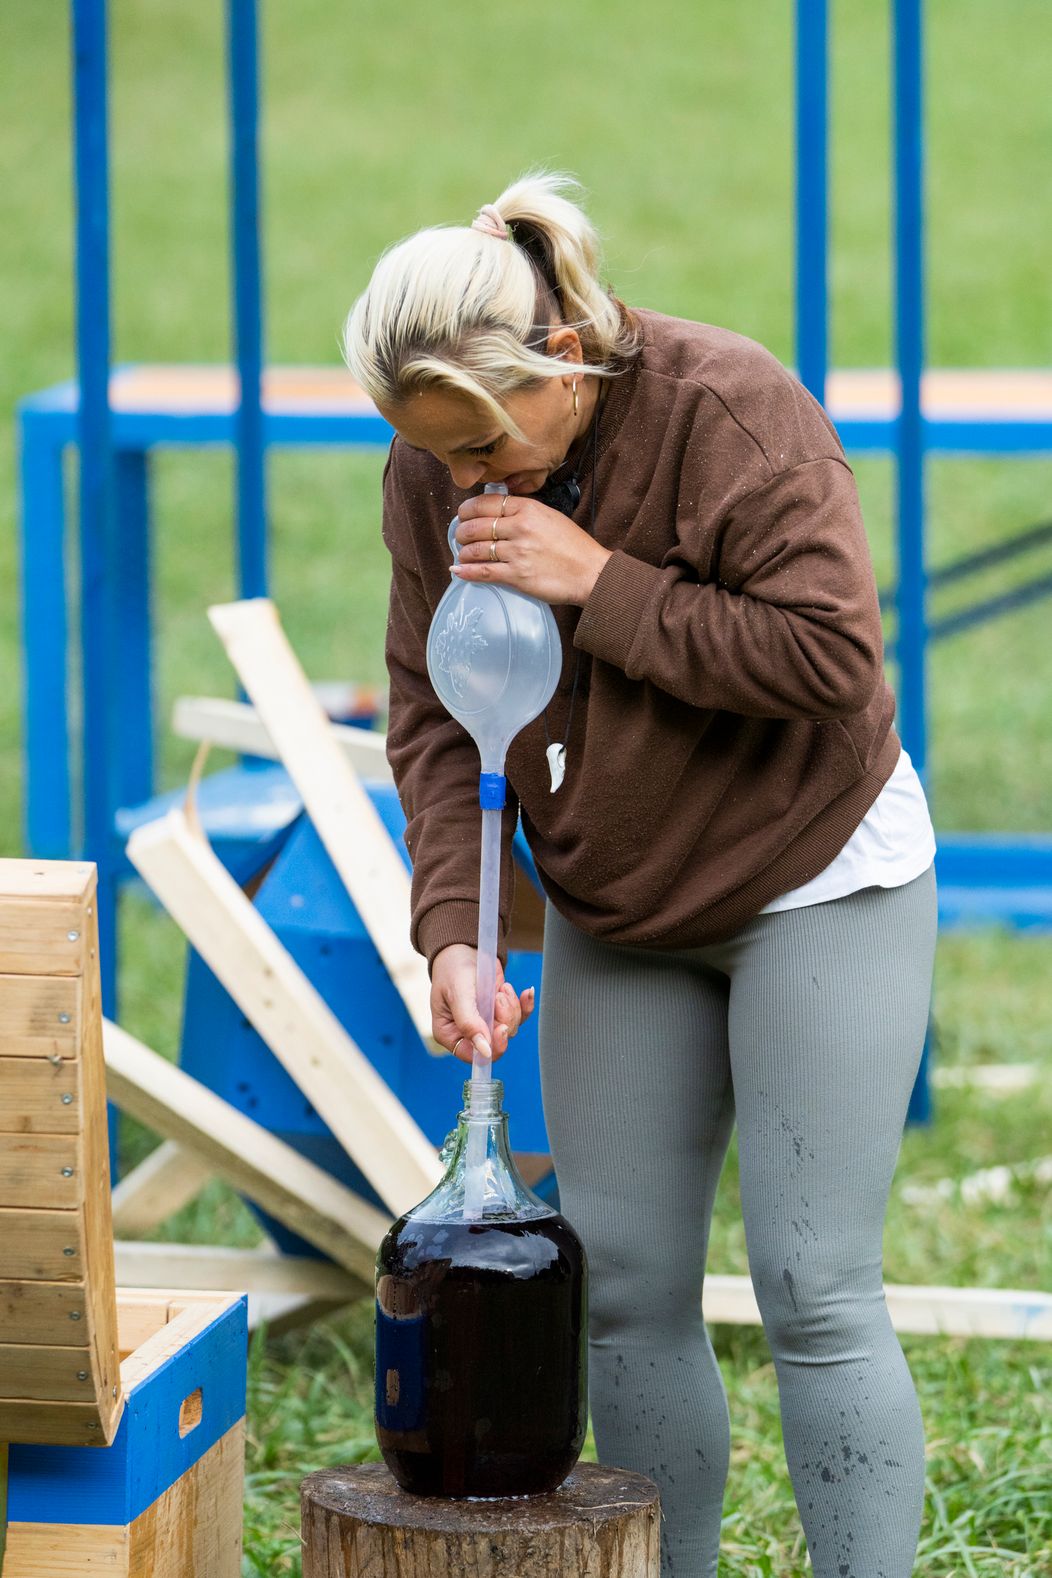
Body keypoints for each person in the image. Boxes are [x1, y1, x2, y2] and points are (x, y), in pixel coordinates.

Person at [342, 171, 937, 1578]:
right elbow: (435, 713)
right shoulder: (437, 458)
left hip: (815, 868)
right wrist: (454, 932)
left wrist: (594, 579)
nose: (472, 489)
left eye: (492, 454)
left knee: (814, 1284)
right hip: (621, 895)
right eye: (443, 464)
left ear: (563, 360)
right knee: (626, 1290)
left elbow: (830, 658)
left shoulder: (729, 409)